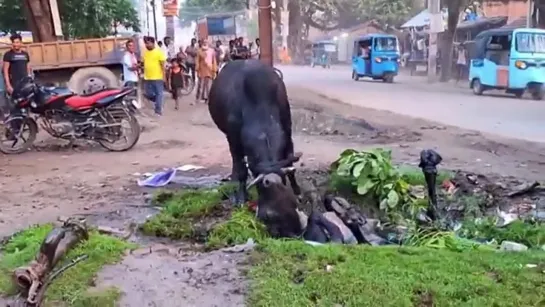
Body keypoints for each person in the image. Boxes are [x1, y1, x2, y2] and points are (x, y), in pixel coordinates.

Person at [142, 36, 167, 116]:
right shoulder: (145, 52)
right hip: (147, 77)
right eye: (146, 43)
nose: (146, 45)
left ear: (153, 43)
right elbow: (144, 63)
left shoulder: (159, 52)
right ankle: (158, 102)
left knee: (159, 93)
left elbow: (163, 65)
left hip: (157, 77)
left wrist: (164, 76)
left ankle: (158, 111)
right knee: (148, 94)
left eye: (148, 43)